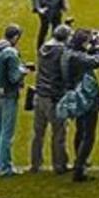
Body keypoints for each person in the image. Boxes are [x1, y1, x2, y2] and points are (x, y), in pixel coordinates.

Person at [61, 28, 99, 182]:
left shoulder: (68, 52)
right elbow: (98, 60)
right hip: (85, 98)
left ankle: (79, 162)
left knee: (80, 130)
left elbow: (86, 54)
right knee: (88, 135)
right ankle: (79, 169)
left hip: (75, 95)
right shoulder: (78, 57)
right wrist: (98, 45)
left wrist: (91, 43)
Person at [0, 25, 28, 177]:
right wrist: (24, 70)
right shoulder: (11, 52)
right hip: (9, 95)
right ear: (15, 37)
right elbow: (14, 77)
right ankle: (5, 166)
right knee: (7, 131)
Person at [30, 25, 72, 175]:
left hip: (39, 94)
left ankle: (35, 164)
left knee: (38, 133)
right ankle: (59, 165)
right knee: (59, 133)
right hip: (54, 97)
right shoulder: (61, 51)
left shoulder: (44, 48)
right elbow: (65, 71)